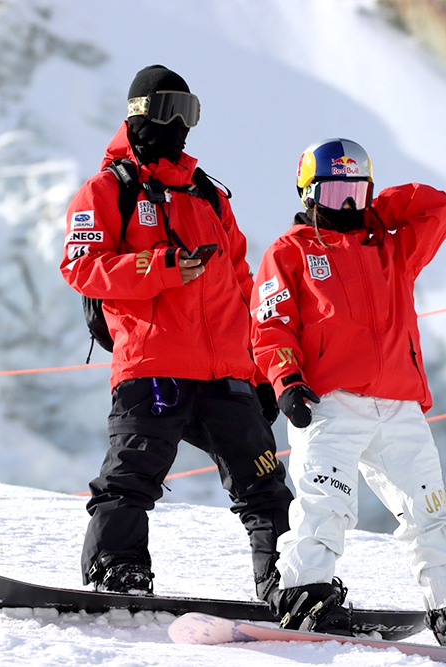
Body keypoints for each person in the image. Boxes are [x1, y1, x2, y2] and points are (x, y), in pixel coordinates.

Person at [249, 138, 446, 651]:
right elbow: (271, 327)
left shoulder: (390, 246)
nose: (348, 204)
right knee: (324, 505)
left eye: (357, 191)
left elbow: (437, 207)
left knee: (431, 513)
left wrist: (376, 209)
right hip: (329, 403)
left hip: (398, 405)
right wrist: (285, 382)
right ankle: (304, 596)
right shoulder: (291, 252)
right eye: (335, 192)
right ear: (308, 193)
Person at [60, 65, 292, 600]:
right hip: (153, 365)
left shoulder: (209, 194)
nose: (180, 127)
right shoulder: (107, 189)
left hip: (225, 374)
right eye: (170, 112)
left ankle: (289, 581)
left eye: (189, 115)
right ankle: (117, 569)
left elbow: (242, 287)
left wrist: (257, 370)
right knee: (131, 476)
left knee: (264, 486)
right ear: (140, 113)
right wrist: (158, 266)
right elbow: (81, 266)